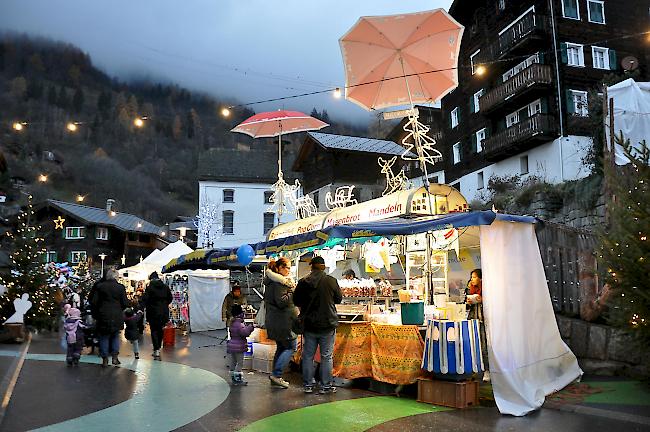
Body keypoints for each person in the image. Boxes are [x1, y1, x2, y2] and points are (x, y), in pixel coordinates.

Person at [294, 256, 343, 394]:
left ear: (312, 267)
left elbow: (296, 300)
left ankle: (308, 385)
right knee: (326, 356)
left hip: (309, 324)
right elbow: (338, 299)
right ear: (323, 266)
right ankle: (325, 386)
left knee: (308, 355)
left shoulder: (303, 282)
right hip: (327, 324)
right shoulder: (331, 281)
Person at [263, 257, 297, 389]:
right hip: (283, 322)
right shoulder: (279, 283)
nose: (289, 270)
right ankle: (276, 375)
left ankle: (275, 375)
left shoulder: (272, 282)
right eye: (287, 267)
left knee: (282, 347)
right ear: (280, 268)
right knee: (290, 347)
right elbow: (282, 301)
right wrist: (292, 291)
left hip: (276, 321)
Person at [89, 268, 128, 367]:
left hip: (103, 314)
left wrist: (96, 313)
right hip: (116, 314)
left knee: (104, 337)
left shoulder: (100, 287)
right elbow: (125, 303)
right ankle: (114, 357)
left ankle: (105, 359)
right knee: (115, 336)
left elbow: (94, 301)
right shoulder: (120, 287)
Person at [143, 272, 172, 361]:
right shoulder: (165, 287)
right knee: (160, 329)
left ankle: (156, 349)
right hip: (163, 312)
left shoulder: (150, 288)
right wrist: (164, 305)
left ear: (151, 279)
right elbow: (170, 298)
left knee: (154, 330)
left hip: (152, 312)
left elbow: (145, 299)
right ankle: (158, 347)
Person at [466, 268, 489, 380]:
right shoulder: (470, 289)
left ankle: (487, 370)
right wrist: (469, 302)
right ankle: (475, 369)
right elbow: (467, 306)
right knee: (474, 345)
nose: (472, 279)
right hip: (473, 320)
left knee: (484, 346)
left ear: (480, 278)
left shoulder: (487, 289)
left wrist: (482, 300)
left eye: (474, 277)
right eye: (472, 277)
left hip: (484, 321)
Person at [226, 304, 254, 386]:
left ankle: (233, 377)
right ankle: (238, 378)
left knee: (233, 362)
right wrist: (251, 327)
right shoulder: (239, 324)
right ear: (240, 314)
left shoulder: (232, 322)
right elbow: (244, 333)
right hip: (239, 347)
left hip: (232, 346)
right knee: (240, 363)